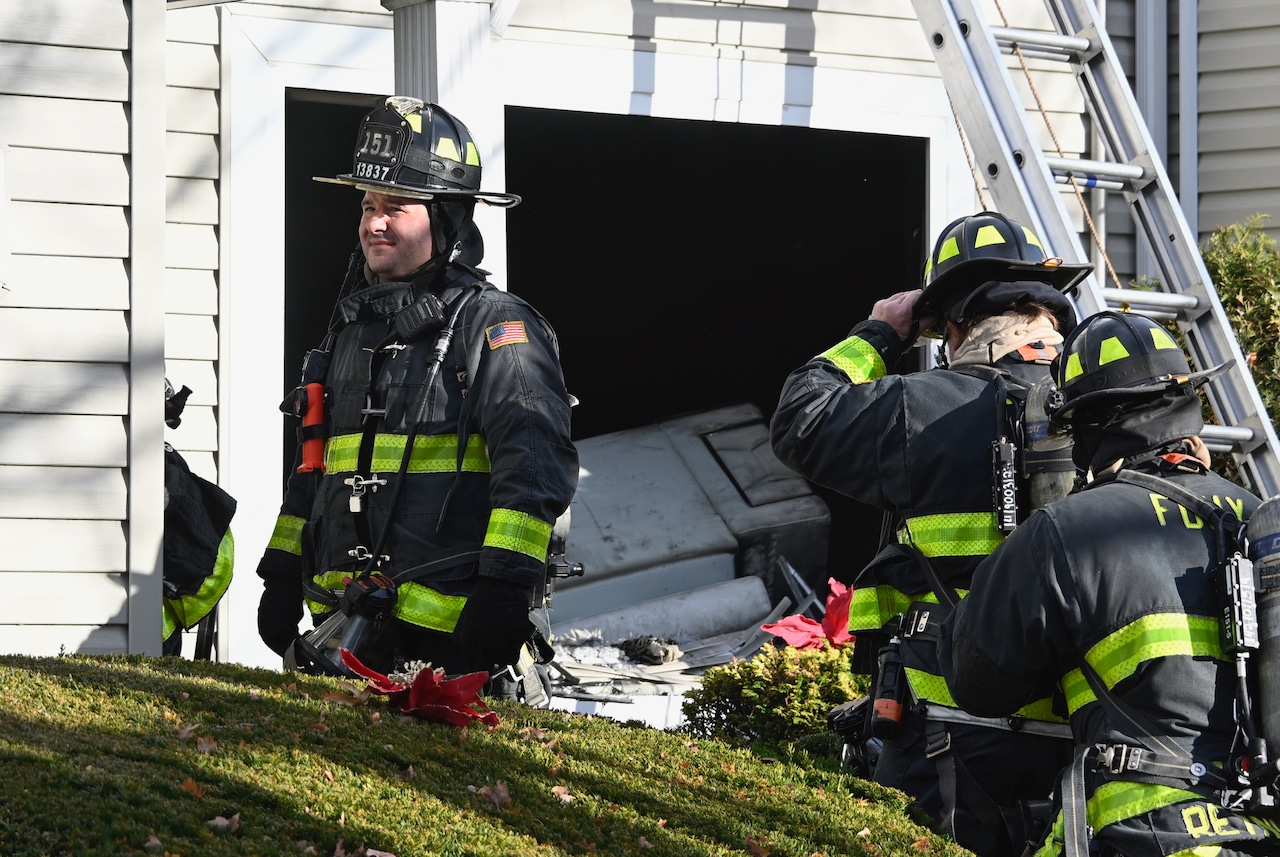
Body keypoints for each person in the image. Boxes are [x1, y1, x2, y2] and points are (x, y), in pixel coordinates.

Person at [771, 211, 1091, 856]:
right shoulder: (1109, 406)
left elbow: (802, 416)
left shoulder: (921, 404)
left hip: (947, 731)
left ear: (949, 324)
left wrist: (879, 333)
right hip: (1087, 731)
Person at [255, 96, 579, 704]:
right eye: (368, 206)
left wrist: (504, 590)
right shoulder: (350, 332)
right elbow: (316, 466)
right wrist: (279, 571)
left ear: (449, 220)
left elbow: (532, 471)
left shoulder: (494, 326)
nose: (374, 223)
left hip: (457, 640)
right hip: (342, 633)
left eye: (395, 209)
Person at [939, 309, 1279, 857]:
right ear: (1188, 404)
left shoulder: (1065, 529)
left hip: (1141, 832)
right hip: (1259, 829)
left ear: (1085, 426)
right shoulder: (1259, 523)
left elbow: (976, 682)